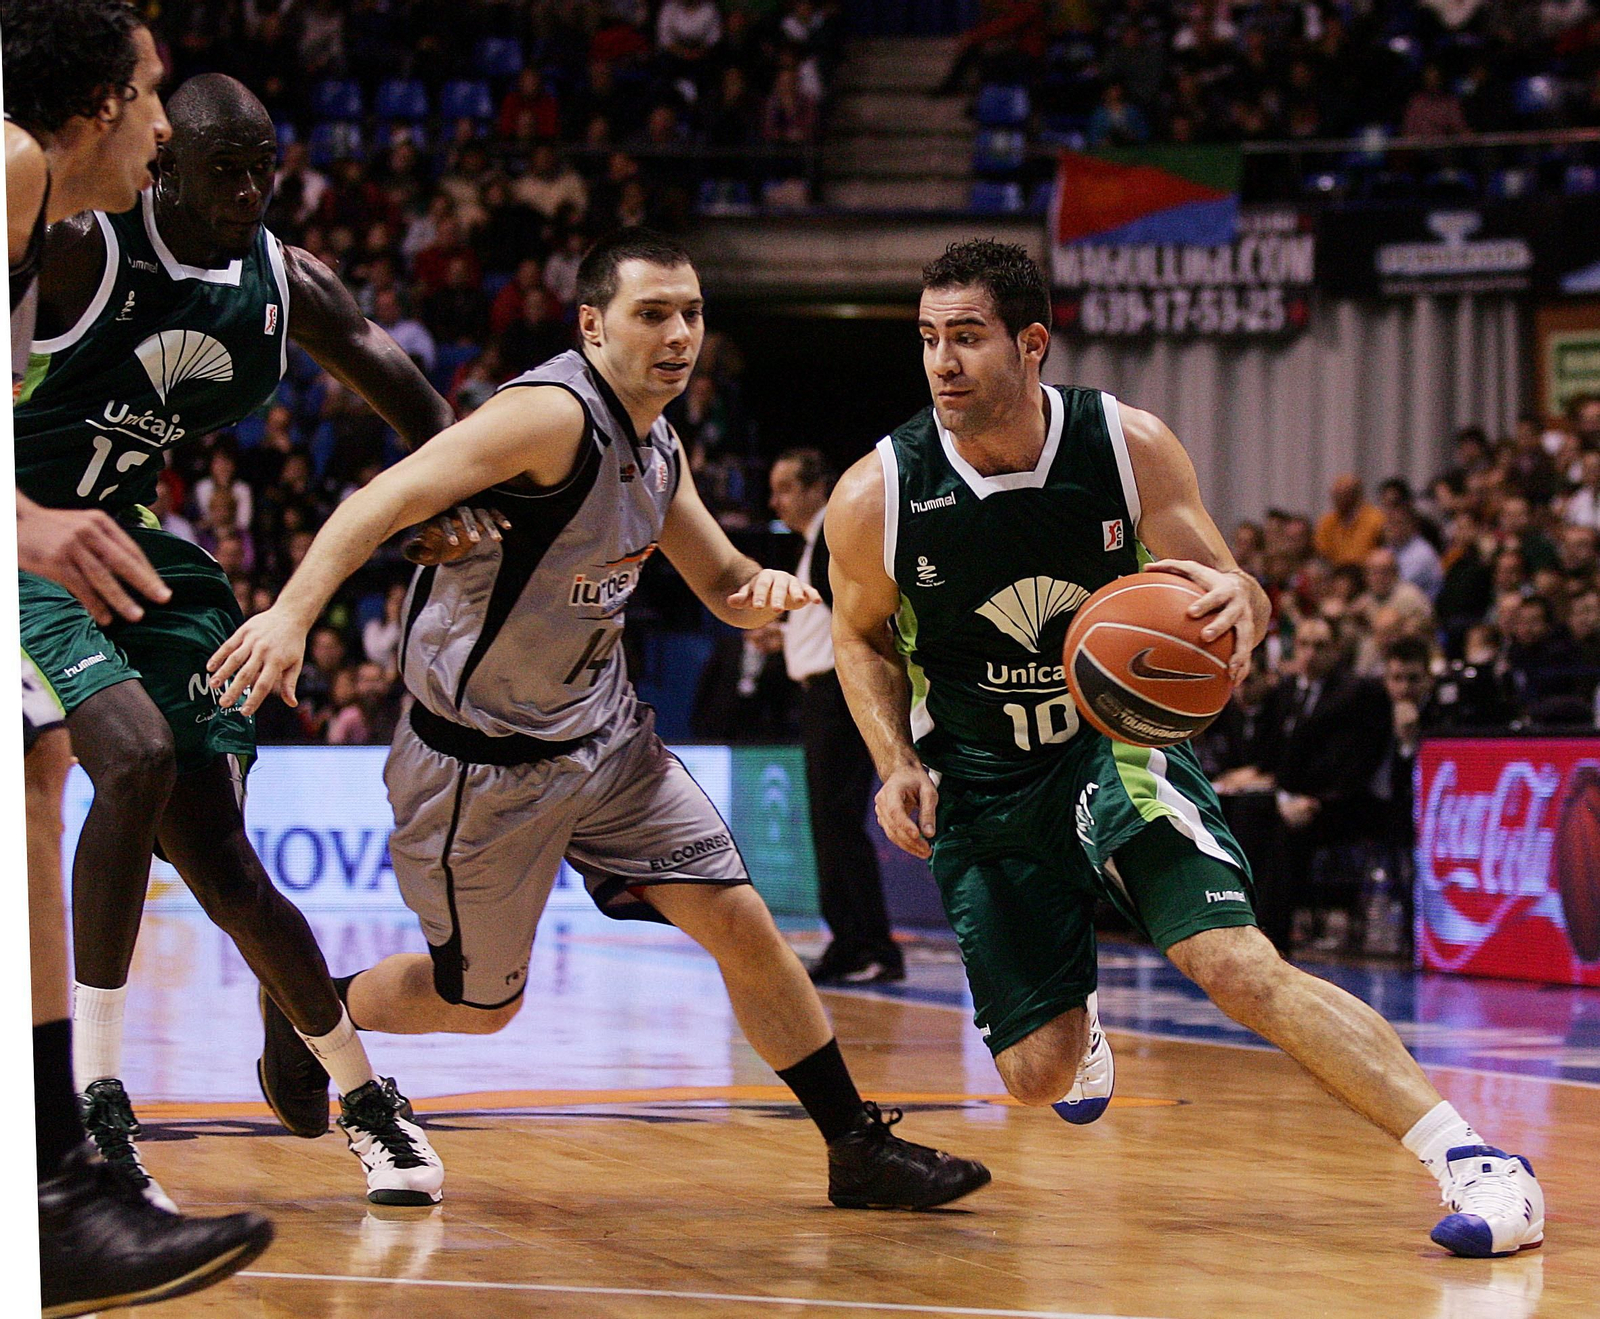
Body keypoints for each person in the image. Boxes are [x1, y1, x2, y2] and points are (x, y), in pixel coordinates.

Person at [208, 229, 991, 1212]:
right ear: (592, 324)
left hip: (607, 739)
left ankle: (855, 1145)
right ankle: (310, 1002)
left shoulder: (658, 443)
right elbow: (382, 500)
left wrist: (765, 590)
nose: (679, 334)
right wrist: (289, 615)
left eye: (692, 313)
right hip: (480, 763)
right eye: (651, 314)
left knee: (744, 923)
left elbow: (719, 578)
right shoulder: (548, 416)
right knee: (478, 1005)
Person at [825, 238, 1543, 1257]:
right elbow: (857, 635)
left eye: (968, 337)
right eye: (929, 338)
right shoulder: (879, 492)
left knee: (1232, 962)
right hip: (980, 776)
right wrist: (895, 758)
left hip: (1111, 746)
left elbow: (1233, 588)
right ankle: (1074, 1006)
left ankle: (1474, 1157)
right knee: (1033, 1075)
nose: (943, 361)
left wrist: (1243, 607)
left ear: (1031, 344)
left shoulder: (1125, 446)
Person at [16, 73, 451, 1208]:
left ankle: (361, 1091)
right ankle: (96, 1105)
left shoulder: (283, 280)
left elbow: (424, 414)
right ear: (163, 162)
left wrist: (458, 501)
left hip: (135, 552)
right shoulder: (79, 249)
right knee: (136, 757)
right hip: (25, 544)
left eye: (265, 169)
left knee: (222, 858)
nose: (250, 190)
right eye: (225, 169)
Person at [6, 2, 273, 1313]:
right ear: (102, 104)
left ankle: (55, 1188)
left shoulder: (33, 203)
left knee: (37, 768)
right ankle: (55, 1192)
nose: (165, 127)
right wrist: (26, 518)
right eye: (154, 94)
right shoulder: (11, 165)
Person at [768, 448, 901, 984]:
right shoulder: (813, 544)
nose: (775, 501)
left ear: (816, 488)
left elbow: (858, 623)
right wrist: (782, 635)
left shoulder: (832, 536)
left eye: (785, 488)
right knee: (832, 822)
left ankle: (866, 945)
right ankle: (853, 941)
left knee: (837, 821)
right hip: (824, 695)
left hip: (839, 695)